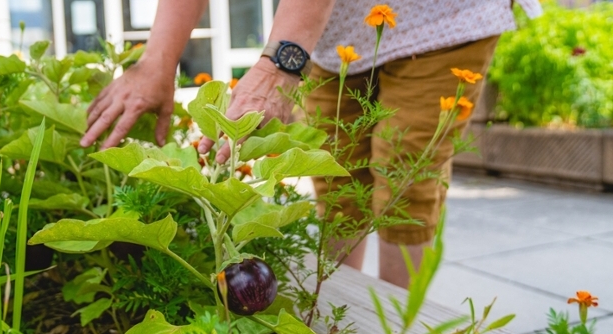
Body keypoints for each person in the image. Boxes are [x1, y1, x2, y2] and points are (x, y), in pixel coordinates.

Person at [79, 0, 542, 288]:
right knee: (336, 177)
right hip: (331, 31)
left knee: (404, 178)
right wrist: (156, 63)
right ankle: (341, 315)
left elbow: (284, 64)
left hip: (440, 17)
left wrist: (281, 65)